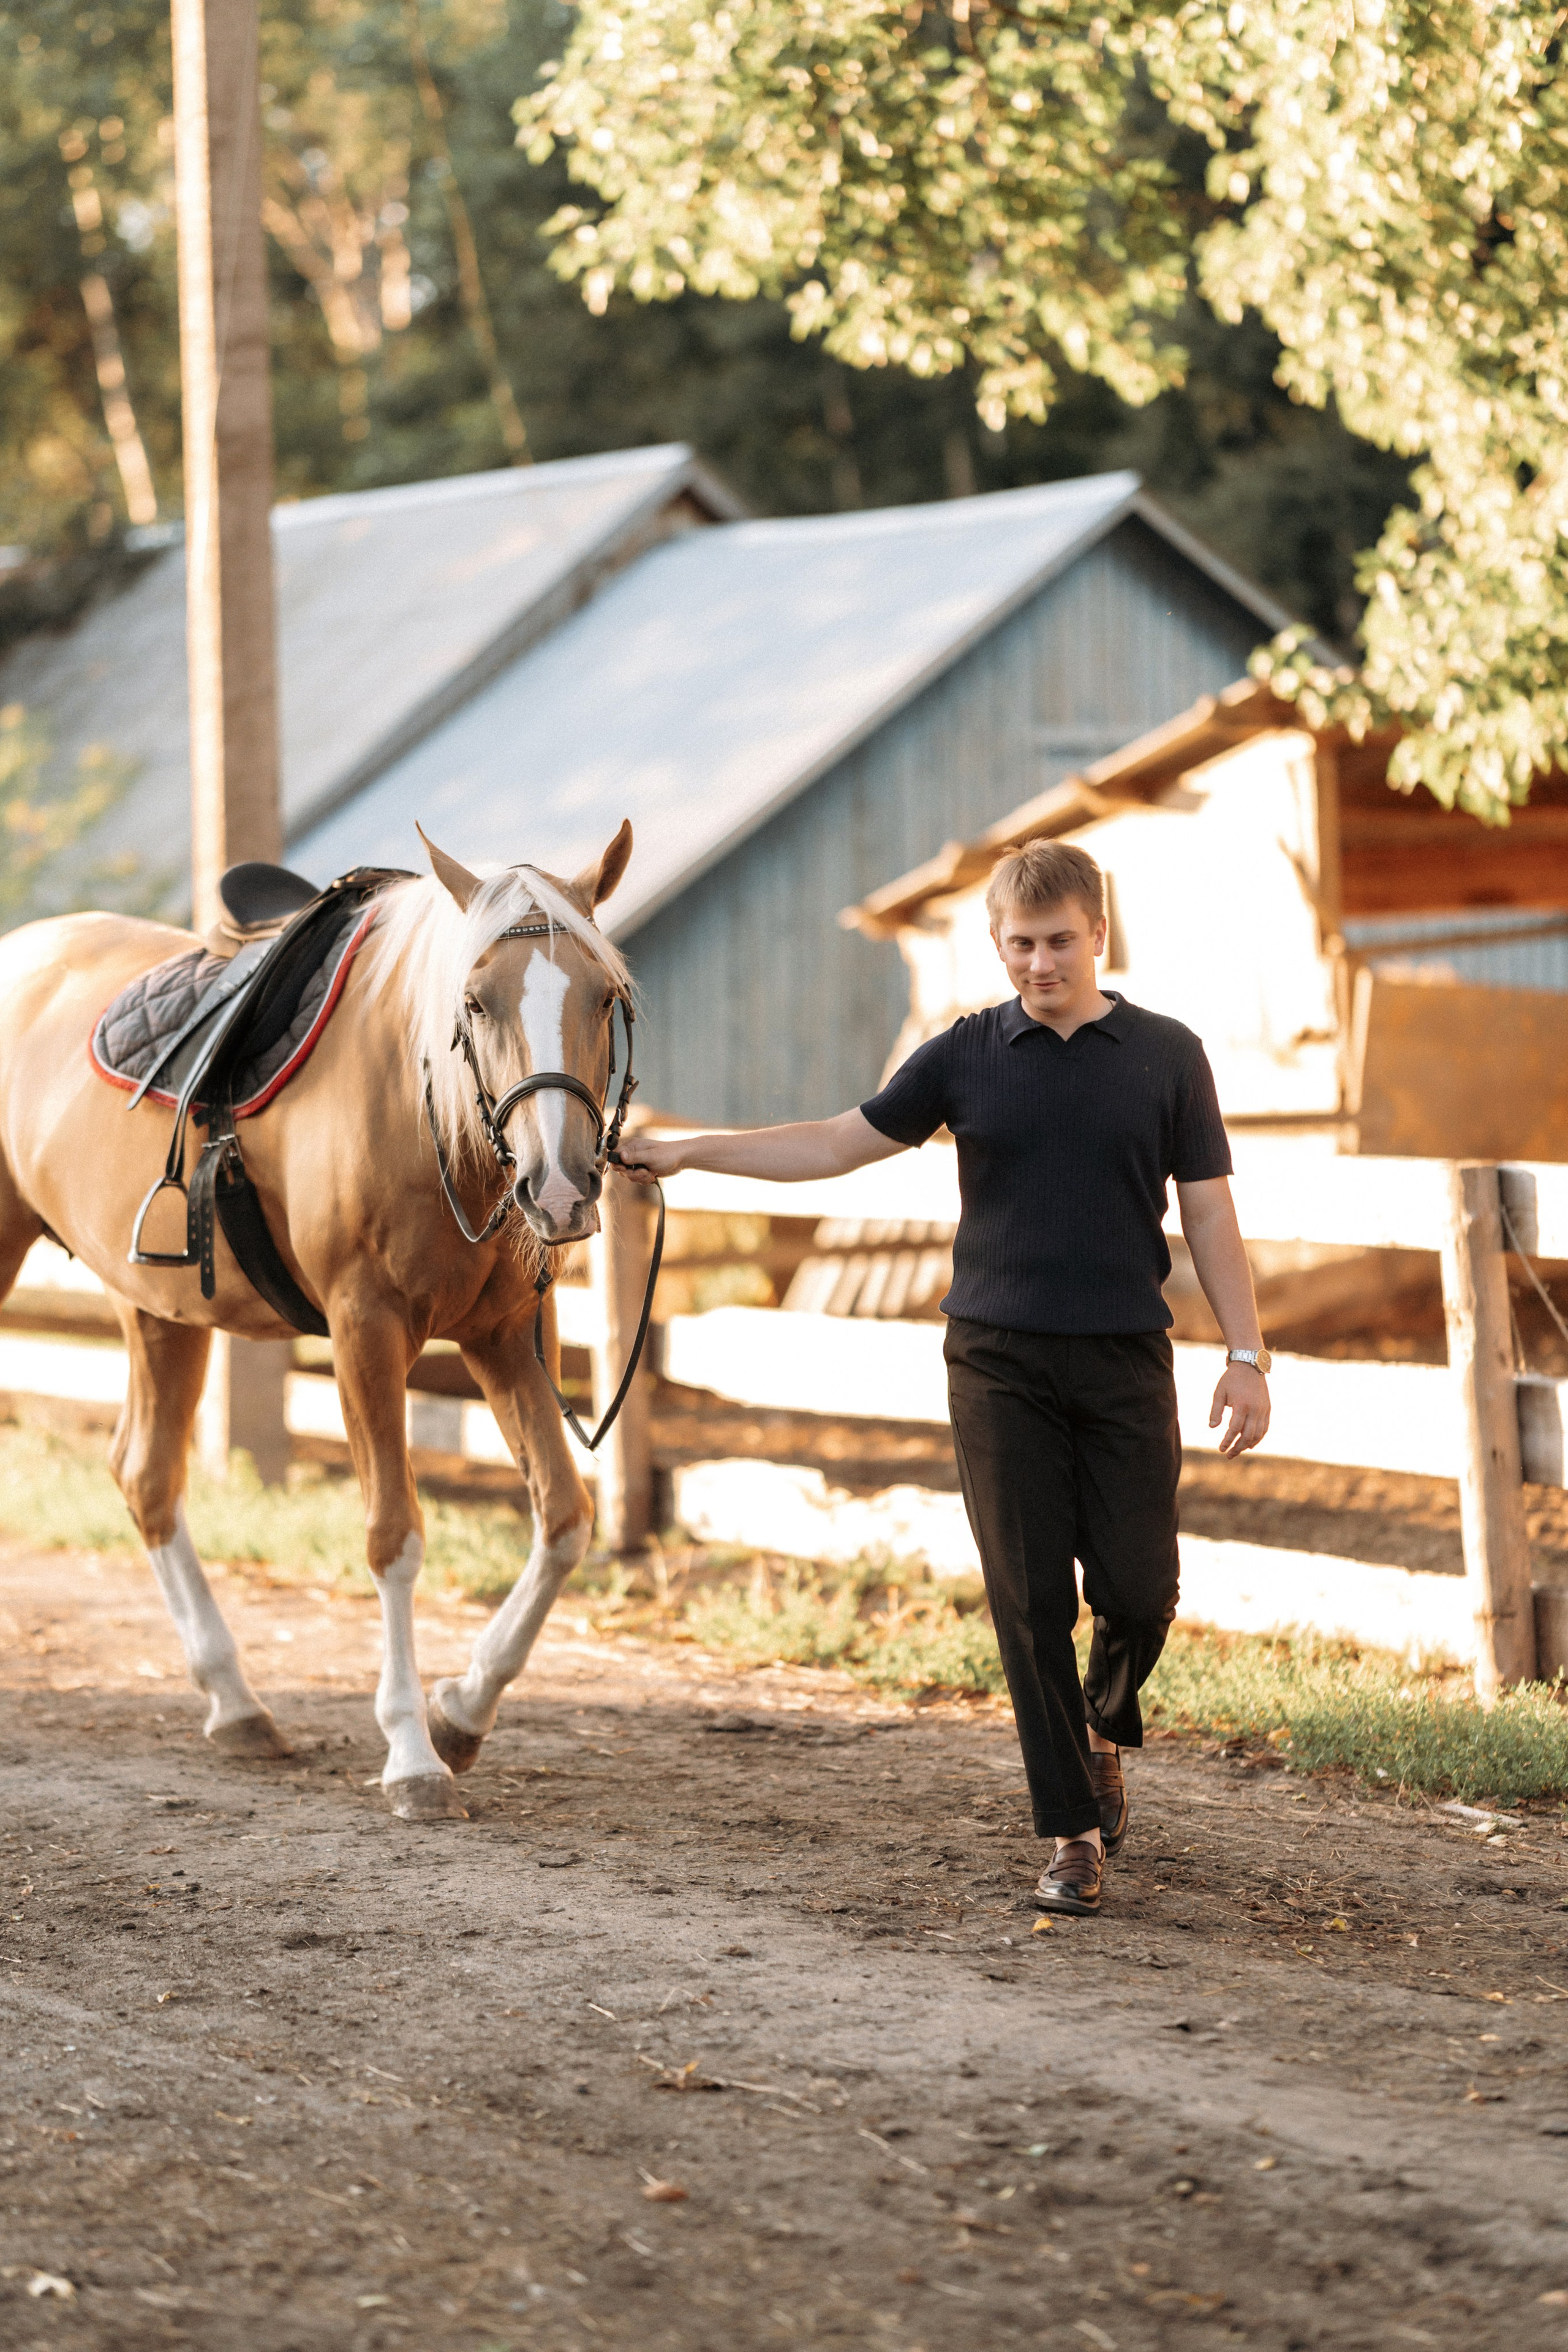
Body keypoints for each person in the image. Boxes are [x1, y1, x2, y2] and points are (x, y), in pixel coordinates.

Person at [616, 840, 1270, 1918]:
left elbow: (1208, 1213)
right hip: (996, 1359)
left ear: (1098, 933)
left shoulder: (1168, 1054)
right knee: (1027, 1602)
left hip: (1122, 1358)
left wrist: (1246, 1354)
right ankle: (1068, 1832)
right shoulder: (965, 1054)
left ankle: (1104, 1726)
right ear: (998, 945)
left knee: (1142, 1589)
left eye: (1060, 941)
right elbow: (835, 1144)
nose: (1041, 963)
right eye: (1020, 945)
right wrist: (689, 1152)